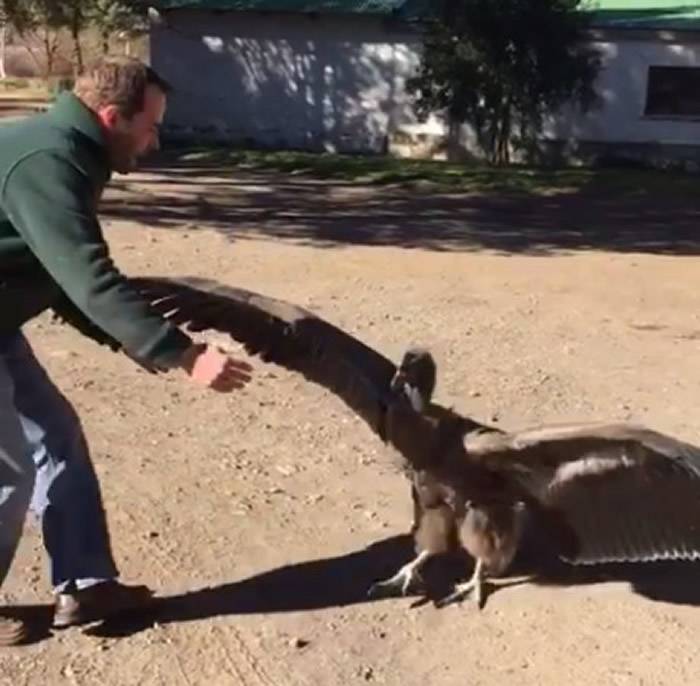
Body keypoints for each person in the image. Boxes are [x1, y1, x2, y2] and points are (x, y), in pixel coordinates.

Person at [0, 56, 253, 645]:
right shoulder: (51, 159)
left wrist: (137, 342)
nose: (155, 138)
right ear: (112, 117)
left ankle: (86, 585)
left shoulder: (71, 151)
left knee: (56, 435)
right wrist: (182, 354)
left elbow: (58, 276)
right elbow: (88, 278)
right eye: (150, 126)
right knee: (8, 471)